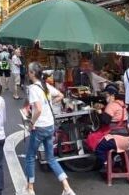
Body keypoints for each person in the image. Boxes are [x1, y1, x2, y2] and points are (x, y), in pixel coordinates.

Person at [23, 62, 76, 195]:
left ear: (33, 73)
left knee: (30, 157)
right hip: (50, 125)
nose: (28, 73)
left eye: (29, 71)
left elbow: (38, 109)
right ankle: (67, 188)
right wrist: (50, 103)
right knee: (51, 158)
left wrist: (31, 123)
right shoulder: (45, 85)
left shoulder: (33, 89)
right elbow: (60, 95)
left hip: (40, 126)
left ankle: (30, 189)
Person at [85, 84, 129, 171]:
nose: (106, 97)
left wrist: (99, 112)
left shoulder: (111, 105)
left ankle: (107, 165)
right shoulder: (121, 104)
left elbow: (105, 121)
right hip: (127, 138)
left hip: (117, 139)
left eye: (107, 95)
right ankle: (117, 160)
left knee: (97, 145)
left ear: (112, 95)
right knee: (103, 140)